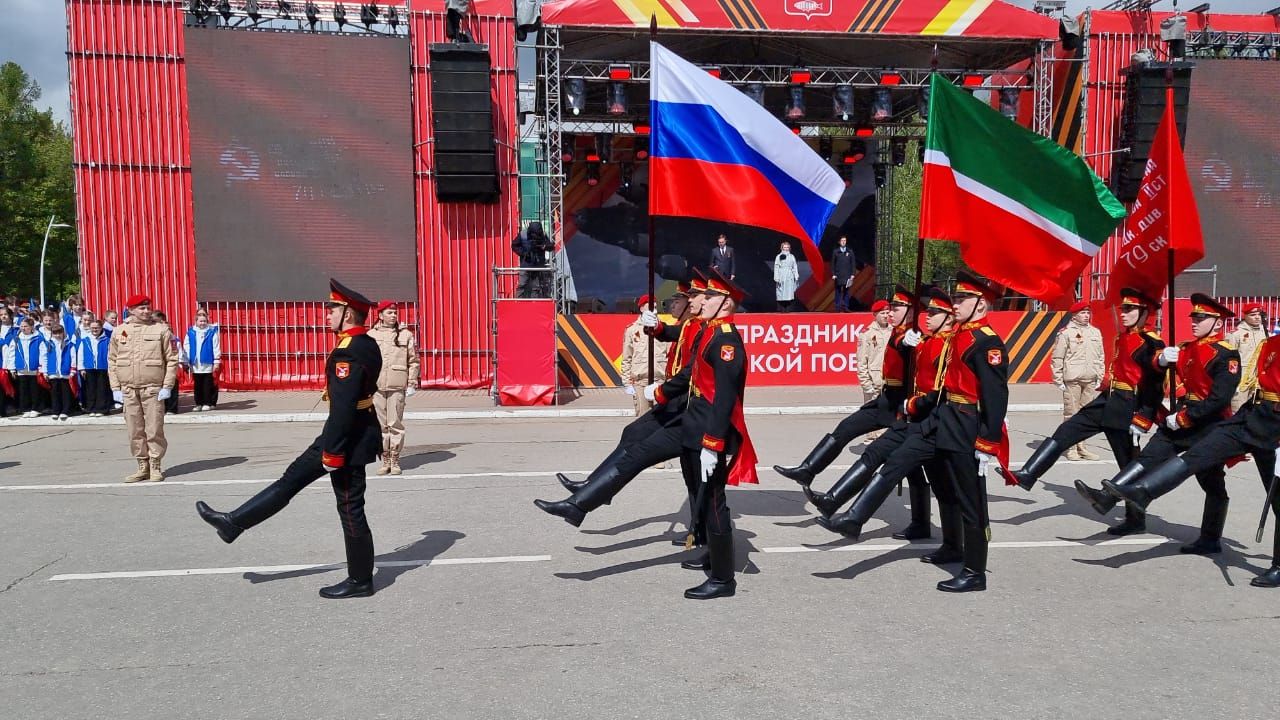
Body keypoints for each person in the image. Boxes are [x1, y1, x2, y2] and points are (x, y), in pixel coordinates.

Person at [817, 272, 1009, 594]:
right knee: (898, 459)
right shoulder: (959, 335)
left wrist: (988, 443)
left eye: (962, 299)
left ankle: (975, 570)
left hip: (964, 426)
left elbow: (995, 396)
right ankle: (855, 517)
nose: (957, 303)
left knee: (969, 500)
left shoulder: (987, 343)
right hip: (939, 420)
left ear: (981, 304)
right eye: (956, 299)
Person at [197, 279, 383, 599]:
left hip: (346, 440)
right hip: (345, 434)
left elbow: (343, 408)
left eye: (332, 310)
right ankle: (233, 522)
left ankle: (360, 580)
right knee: (290, 481)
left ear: (348, 315)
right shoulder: (366, 343)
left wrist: (333, 452)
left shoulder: (347, 354)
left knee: (351, 509)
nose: (327, 315)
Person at [1094, 332, 1280, 587]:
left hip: (1277, 425)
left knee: (1278, 498)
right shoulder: (1270, 343)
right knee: (1200, 454)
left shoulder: (1230, 350)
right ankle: (1143, 492)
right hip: (1254, 414)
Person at [1077, 294, 1241, 555]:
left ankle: (1210, 538)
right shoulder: (1187, 348)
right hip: (1181, 415)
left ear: (1218, 323)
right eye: (1194, 317)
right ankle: (1108, 495)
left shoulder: (1226, 355)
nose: (1195, 322)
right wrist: (1162, 360)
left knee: (1211, 481)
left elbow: (1219, 399)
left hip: (1208, 424)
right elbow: (1160, 375)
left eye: (1202, 318)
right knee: (1151, 455)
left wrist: (1186, 417)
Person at [1012, 288, 1166, 535]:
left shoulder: (1152, 342)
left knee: (1128, 464)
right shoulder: (1124, 336)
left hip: (1128, 404)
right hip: (1108, 398)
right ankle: (1029, 473)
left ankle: (1135, 519)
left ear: (1144, 312)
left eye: (1130, 309)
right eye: (1123, 308)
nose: (1123, 313)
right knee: (1067, 430)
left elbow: (1155, 387)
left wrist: (1143, 418)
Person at [811, 286, 955, 547]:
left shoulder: (938, 342)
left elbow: (939, 386)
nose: (928, 315)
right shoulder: (917, 338)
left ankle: (954, 545)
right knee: (882, 455)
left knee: (936, 481)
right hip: (911, 413)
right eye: (929, 310)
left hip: (928, 417)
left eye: (897, 307)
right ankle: (844, 509)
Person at [773, 286, 917, 489]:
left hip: (902, 404)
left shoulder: (915, 336)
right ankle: (808, 469)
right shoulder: (895, 332)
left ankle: (922, 517)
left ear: (911, 311)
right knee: (846, 427)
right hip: (886, 398)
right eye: (888, 309)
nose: (890, 312)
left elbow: (911, 350)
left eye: (895, 308)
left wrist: (914, 342)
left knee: (913, 469)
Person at [676, 269, 755, 598]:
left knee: (713, 502)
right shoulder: (709, 333)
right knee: (702, 499)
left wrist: (713, 444)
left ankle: (724, 579)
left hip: (713, 435)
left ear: (725, 303)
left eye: (708, 296)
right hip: (699, 430)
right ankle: (714, 555)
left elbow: (724, 398)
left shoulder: (726, 341)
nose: (701, 300)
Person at [108, 295, 178, 482]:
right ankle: (142, 465)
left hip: (152, 388)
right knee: (134, 429)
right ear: (130, 310)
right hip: (129, 389)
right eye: (141, 308)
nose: (146, 311)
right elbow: (112, 360)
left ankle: (155, 464)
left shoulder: (161, 330)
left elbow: (171, 359)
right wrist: (115, 387)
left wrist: (167, 385)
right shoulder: (120, 331)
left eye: (147, 308)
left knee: (154, 428)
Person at [368, 300, 419, 475]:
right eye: (389, 313)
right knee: (381, 425)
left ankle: (395, 459)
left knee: (395, 424)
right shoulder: (370, 335)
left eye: (395, 313)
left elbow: (413, 361)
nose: (393, 316)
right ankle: (386, 459)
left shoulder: (405, 335)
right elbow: (365, 363)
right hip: (376, 386)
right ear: (380, 315)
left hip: (397, 384)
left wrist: (412, 382)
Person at [1050, 301, 1106, 460]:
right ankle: (1070, 448)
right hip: (1072, 379)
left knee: (1087, 416)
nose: (1086, 316)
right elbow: (1057, 357)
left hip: (1089, 378)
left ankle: (1082, 447)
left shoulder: (1095, 332)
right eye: (1082, 313)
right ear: (1074, 315)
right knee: (1071, 414)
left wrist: (1099, 376)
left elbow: (1100, 356)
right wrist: (1058, 378)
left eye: (1088, 313)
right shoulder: (1066, 333)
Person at [619, 295, 670, 417]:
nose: (654, 310)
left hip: (660, 380)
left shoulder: (664, 329)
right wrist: (626, 382)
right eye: (650, 307)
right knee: (643, 418)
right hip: (640, 381)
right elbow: (627, 357)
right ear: (641, 308)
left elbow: (670, 355)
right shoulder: (632, 330)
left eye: (656, 307)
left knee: (661, 418)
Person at [1228, 303, 1267, 414]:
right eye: (1253, 314)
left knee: (1257, 405)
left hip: (1259, 376)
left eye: (1259, 314)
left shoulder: (1264, 332)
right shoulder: (1236, 334)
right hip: (1242, 376)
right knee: (1238, 406)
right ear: (1245, 316)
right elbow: (1230, 358)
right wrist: (1232, 379)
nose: (1257, 317)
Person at [181, 308, 222, 412]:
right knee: (197, 385)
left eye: (204, 321)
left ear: (207, 320)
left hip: (207, 363)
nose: (202, 323)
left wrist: (216, 361)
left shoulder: (211, 332)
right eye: (200, 321)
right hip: (195, 364)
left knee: (207, 384)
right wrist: (185, 361)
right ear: (196, 321)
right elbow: (186, 347)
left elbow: (216, 346)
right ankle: (198, 403)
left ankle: (207, 403)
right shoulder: (191, 332)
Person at [857, 300, 893, 405]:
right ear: (875, 314)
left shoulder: (893, 331)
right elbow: (861, 361)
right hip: (874, 384)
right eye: (882, 313)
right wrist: (866, 385)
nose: (886, 316)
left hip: (890, 383)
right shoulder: (867, 334)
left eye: (887, 313)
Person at [40, 324, 77, 421]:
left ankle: (65, 411)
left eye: (59, 333)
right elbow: (44, 358)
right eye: (55, 333)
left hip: (65, 373)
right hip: (53, 372)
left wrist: (72, 370)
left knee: (66, 393)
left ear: (63, 333)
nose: (57, 335)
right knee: (55, 393)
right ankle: (56, 411)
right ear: (52, 334)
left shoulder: (69, 344)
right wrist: (45, 372)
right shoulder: (47, 344)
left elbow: (73, 357)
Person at [11, 316, 45, 418]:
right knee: (24, 390)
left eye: (25, 326)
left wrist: (41, 367)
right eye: (21, 326)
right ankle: (25, 409)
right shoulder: (16, 339)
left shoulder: (38, 338)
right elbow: (12, 354)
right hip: (22, 368)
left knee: (34, 390)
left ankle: (36, 408)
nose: (23, 328)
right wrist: (12, 368)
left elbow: (42, 353)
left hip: (34, 369)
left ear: (31, 327)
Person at [78, 318, 112, 416]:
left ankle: (102, 409)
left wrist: (110, 367)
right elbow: (80, 354)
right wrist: (81, 368)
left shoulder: (107, 340)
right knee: (90, 389)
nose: (95, 330)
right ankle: (91, 409)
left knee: (102, 389)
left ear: (101, 328)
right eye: (93, 328)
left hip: (103, 367)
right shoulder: (85, 340)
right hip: (89, 367)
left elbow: (110, 355)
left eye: (97, 328)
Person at [513, 221, 554, 299]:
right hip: (526, 264)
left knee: (536, 287)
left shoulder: (543, 235)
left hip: (538, 265)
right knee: (522, 285)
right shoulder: (523, 234)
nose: (537, 237)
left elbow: (551, 246)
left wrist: (544, 246)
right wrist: (524, 253)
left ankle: (534, 302)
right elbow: (514, 246)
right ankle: (518, 303)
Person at [152, 311, 181, 414]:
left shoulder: (171, 336)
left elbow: (174, 351)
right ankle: (161, 408)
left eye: (156, 321)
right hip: (157, 366)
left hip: (168, 364)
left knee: (171, 386)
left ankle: (171, 408)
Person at [830, 236, 855, 312]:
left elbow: (853, 263)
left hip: (847, 275)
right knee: (838, 291)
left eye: (845, 240)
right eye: (842, 240)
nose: (844, 242)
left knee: (846, 291)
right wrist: (833, 274)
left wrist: (852, 274)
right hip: (838, 275)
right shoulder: (836, 252)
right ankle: (837, 307)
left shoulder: (850, 251)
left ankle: (846, 307)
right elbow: (832, 264)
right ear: (839, 242)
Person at [773, 241, 799, 312]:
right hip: (781, 275)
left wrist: (796, 275)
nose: (786, 249)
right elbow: (776, 267)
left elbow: (794, 266)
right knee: (781, 291)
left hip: (789, 275)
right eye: (784, 247)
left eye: (787, 247)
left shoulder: (792, 256)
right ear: (782, 248)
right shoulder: (779, 256)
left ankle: (788, 308)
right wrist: (776, 277)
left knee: (789, 292)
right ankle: (781, 309)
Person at [0, 307, 16, 417]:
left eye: (5, 314)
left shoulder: (16, 330)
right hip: (1, 363)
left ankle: (13, 406)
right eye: (1, 315)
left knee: (12, 385)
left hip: (11, 363)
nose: (3, 316)